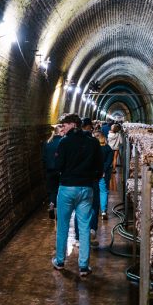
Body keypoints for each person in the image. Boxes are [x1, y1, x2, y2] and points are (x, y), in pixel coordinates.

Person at [51, 114, 102, 277]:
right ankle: (83, 266)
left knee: (63, 226)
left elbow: (57, 166)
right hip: (86, 188)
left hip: (67, 188)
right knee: (85, 227)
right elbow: (99, 168)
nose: (62, 128)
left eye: (64, 125)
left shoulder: (64, 142)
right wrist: (90, 178)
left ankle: (60, 261)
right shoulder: (93, 142)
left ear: (73, 124)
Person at [42, 124, 65, 218]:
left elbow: (43, 157)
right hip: (60, 170)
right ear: (59, 132)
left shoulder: (47, 142)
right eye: (63, 131)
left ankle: (51, 204)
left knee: (52, 190)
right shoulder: (63, 142)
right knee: (60, 190)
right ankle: (59, 210)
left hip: (49, 170)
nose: (64, 132)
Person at [91, 133, 114, 225]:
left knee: (93, 191)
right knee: (103, 191)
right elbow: (109, 162)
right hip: (103, 174)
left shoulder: (92, 148)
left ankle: (93, 210)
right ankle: (103, 211)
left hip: (93, 173)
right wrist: (103, 170)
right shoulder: (108, 149)